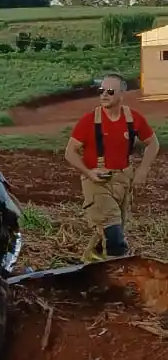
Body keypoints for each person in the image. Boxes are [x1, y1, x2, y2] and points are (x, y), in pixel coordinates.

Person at [65, 74, 159, 258]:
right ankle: (118, 276)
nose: (104, 95)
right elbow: (70, 152)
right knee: (113, 232)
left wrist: (143, 169)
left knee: (108, 231)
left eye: (110, 91)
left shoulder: (133, 118)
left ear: (121, 94)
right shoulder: (89, 121)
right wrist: (89, 173)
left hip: (124, 181)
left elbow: (153, 143)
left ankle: (90, 267)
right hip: (97, 183)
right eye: (101, 91)